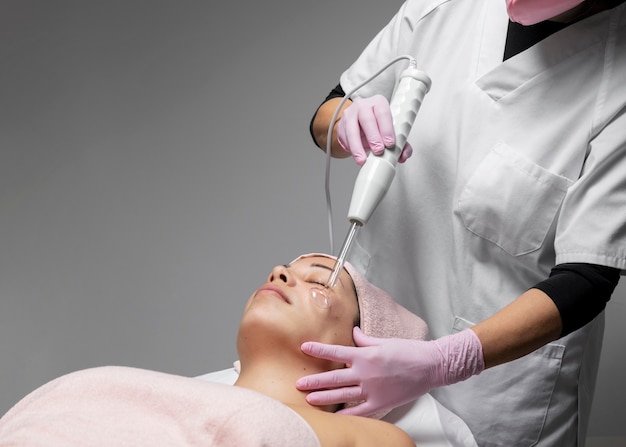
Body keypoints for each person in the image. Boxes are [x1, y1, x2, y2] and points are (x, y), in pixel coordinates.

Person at [297, 1, 626, 446]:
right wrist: (343, 122)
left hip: (493, 392)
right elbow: (330, 107)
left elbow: (588, 276)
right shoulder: (444, 6)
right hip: (364, 345)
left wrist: (447, 360)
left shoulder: (617, 86)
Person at [0, 254, 428, 447]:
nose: (279, 272)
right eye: (284, 269)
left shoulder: (377, 439)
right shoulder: (151, 394)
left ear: (359, 349)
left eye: (319, 283)